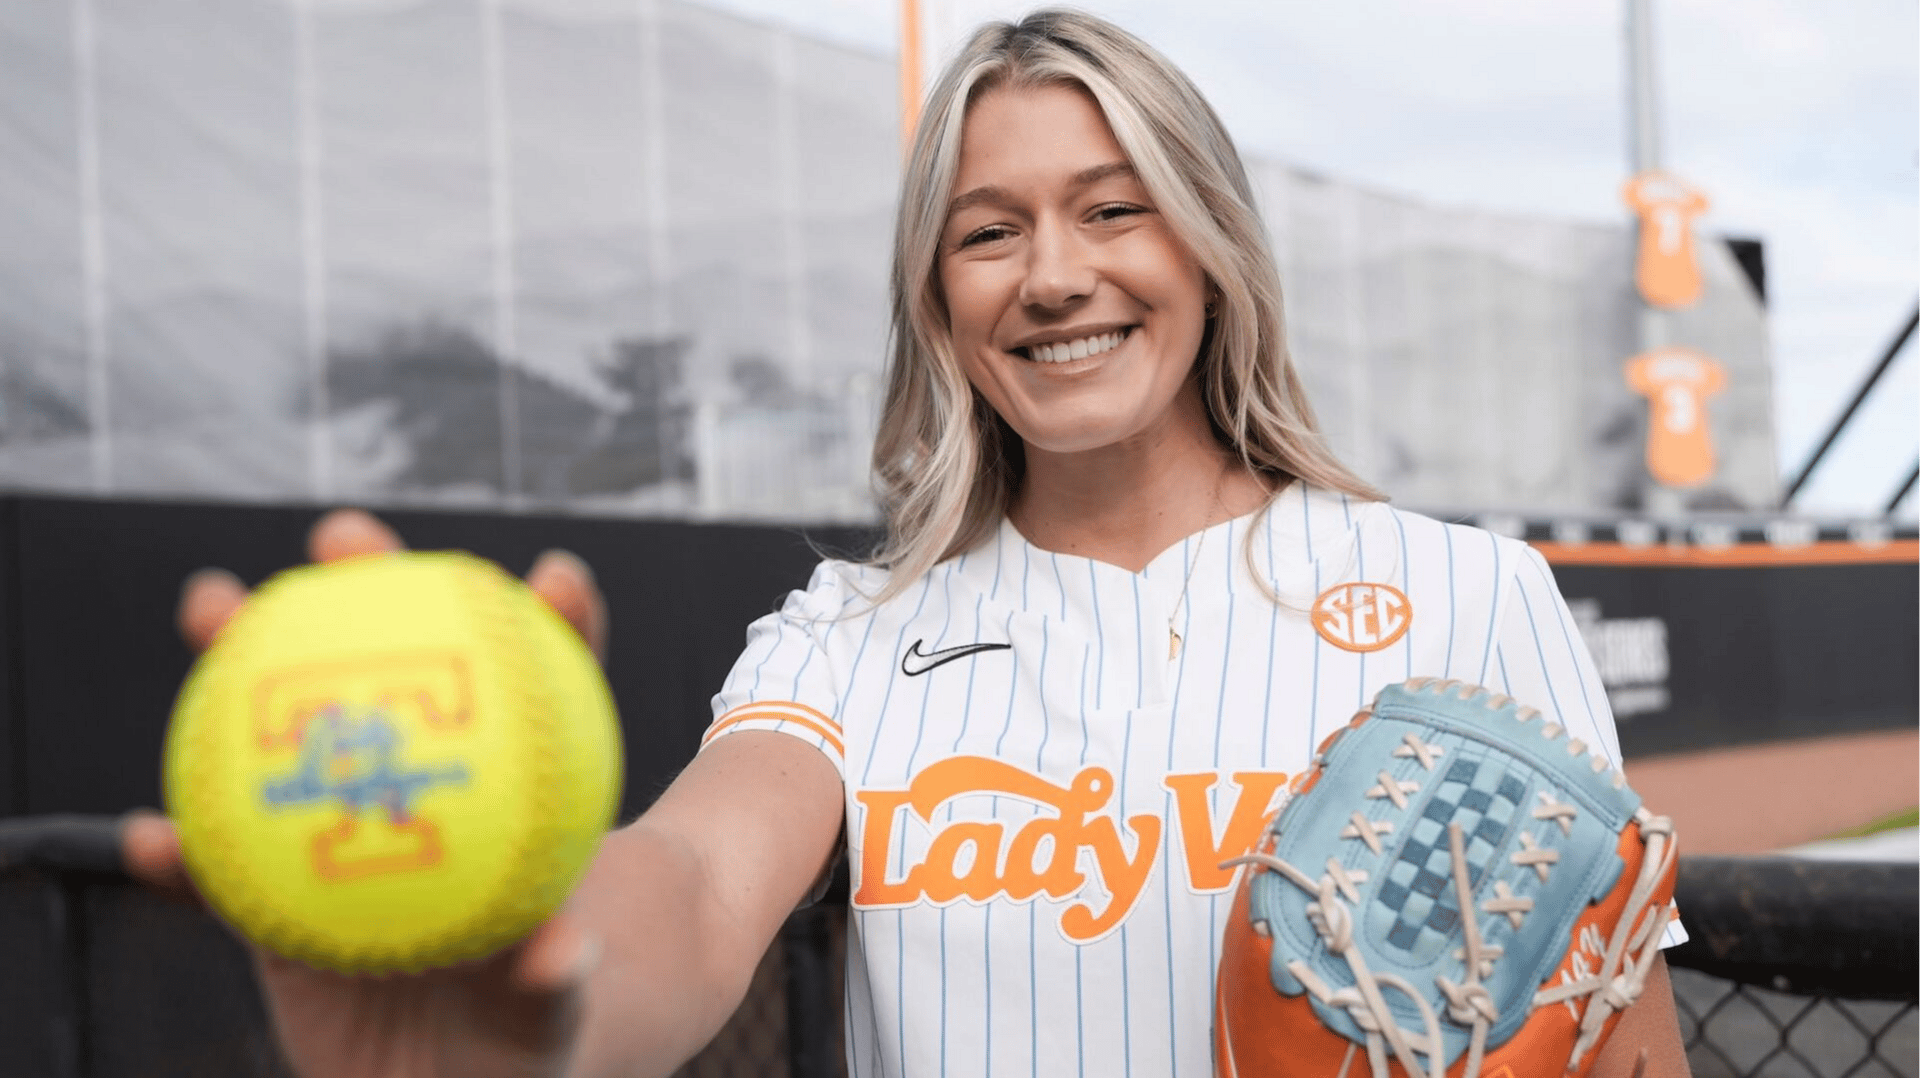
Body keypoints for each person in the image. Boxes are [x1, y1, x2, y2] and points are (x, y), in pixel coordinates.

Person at [125, 10, 1690, 1077]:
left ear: (1211, 247)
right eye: (989, 230)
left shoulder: (1467, 596)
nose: (1054, 274)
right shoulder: (851, 633)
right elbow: (689, 879)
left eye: (1113, 208)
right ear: (937, 296)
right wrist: (519, 981)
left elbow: (1626, 1025)